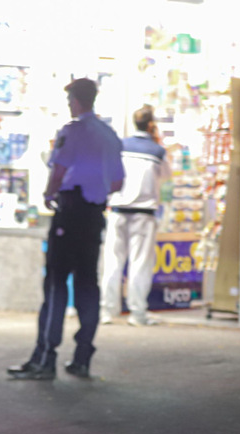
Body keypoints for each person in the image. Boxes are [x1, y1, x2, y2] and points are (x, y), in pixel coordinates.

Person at [8, 78, 123, 380]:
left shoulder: (72, 132)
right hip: (94, 215)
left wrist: (49, 195)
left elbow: (58, 171)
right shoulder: (110, 135)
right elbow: (117, 182)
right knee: (88, 285)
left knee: (57, 284)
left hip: (70, 212)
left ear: (75, 100)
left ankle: (45, 359)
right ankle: (83, 356)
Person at [100, 105, 171, 327]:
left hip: (118, 210)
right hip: (144, 214)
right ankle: (137, 312)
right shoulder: (157, 151)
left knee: (112, 262)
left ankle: (106, 310)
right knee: (140, 264)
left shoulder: (120, 146)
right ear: (151, 125)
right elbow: (166, 178)